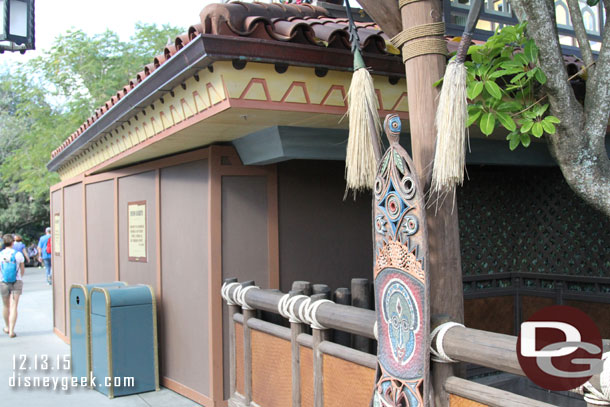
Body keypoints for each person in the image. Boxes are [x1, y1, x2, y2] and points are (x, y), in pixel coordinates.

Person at [1, 234, 25, 338]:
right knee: (14, 305)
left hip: (3, 282)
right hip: (16, 281)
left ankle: (6, 326)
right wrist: (19, 276)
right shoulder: (18, 254)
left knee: (6, 306)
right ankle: (11, 330)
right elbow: (22, 270)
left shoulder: (0, 255)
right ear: (12, 243)